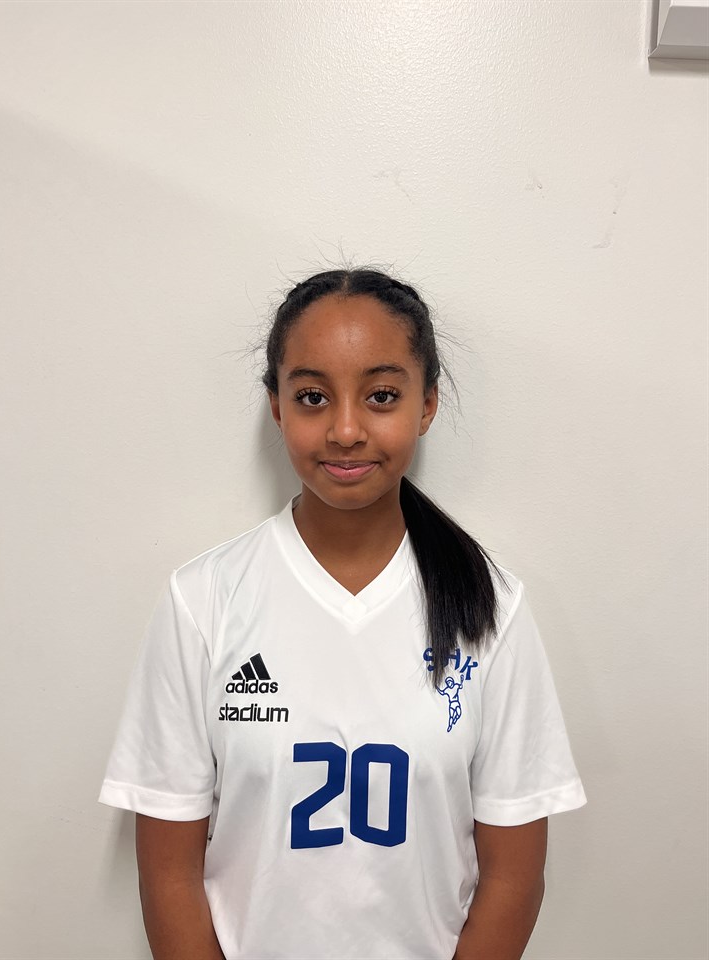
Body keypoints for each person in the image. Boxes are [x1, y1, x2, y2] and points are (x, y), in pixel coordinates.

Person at [99, 268, 586, 960]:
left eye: (381, 396)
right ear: (277, 407)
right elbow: (168, 877)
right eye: (313, 397)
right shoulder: (203, 600)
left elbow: (513, 879)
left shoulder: (491, 607)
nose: (347, 429)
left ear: (426, 404)